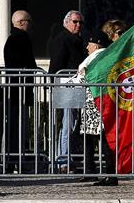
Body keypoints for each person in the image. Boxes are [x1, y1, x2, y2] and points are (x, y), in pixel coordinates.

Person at [48, 10, 85, 172]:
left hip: (75, 85)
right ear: (67, 22)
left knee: (73, 122)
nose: (78, 25)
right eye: (75, 22)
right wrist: (54, 83)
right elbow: (56, 64)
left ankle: (67, 158)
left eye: (80, 22)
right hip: (67, 85)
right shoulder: (63, 39)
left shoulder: (77, 39)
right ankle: (63, 160)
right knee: (68, 123)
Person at [78, 31, 115, 185]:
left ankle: (105, 174)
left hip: (93, 105)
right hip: (99, 104)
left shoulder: (95, 58)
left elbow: (82, 78)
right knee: (99, 140)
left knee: (97, 140)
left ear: (96, 45)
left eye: (89, 44)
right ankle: (105, 173)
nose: (87, 47)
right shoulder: (108, 57)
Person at [2, 10, 36, 173]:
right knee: (18, 127)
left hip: (14, 89)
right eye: (29, 21)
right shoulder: (21, 38)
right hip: (19, 90)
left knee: (14, 127)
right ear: (22, 22)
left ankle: (12, 161)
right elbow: (24, 63)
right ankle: (16, 161)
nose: (31, 24)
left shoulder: (11, 38)